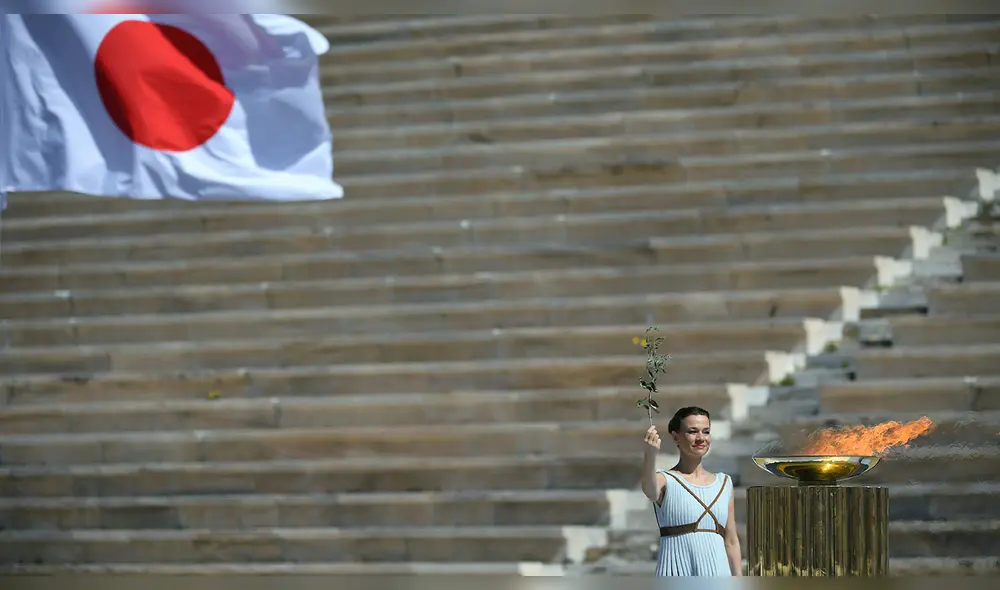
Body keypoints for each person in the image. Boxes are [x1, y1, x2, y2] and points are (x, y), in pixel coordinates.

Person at [640, 406, 743, 576]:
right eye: (693, 431)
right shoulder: (665, 480)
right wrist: (650, 456)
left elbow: (731, 541)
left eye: (706, 431)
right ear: (676, 437)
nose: (701, 438)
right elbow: (650, 491)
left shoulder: (724, 483)